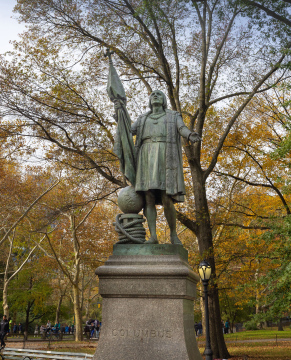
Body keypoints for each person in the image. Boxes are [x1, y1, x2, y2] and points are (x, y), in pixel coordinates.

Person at [115, 90, 201, 244]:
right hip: (145, 156)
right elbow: (128, 130)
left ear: (164, 101)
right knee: (148, 197)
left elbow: (181, 128)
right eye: (152, 94)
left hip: (165, 155)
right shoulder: (143, 118)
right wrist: (120, 115)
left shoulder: (173, 115)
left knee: (166, 197)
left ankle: (173, 235)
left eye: (159, 94)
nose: (155, 95)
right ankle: (153, 236)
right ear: (149, 101)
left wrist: (189, 135)